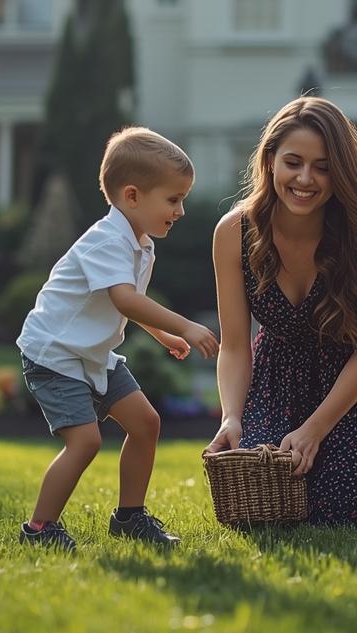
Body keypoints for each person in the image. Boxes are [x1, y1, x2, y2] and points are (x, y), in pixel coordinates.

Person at [205, 97, 357, 523]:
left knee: (336, 508)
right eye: (294, 162)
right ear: (269, 162)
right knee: (264, 499)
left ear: (341, 171)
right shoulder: (234, 231)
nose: (306, 179)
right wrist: (232, 418)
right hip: (276, 379)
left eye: (323, 167)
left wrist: (314, 430)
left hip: (355, 382)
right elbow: (234, 345)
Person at [16, 127, 220, 551]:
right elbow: (125, 300)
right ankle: (39, 529)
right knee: (86, 441)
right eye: (173, 199)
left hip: (91, 354)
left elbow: (132, 302)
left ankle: (130, 517)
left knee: (146, 423)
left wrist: (163, 335)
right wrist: (184, 325)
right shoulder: (107, 241)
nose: (180, 211)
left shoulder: (139, 242)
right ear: (132, 196)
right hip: (55, 355)